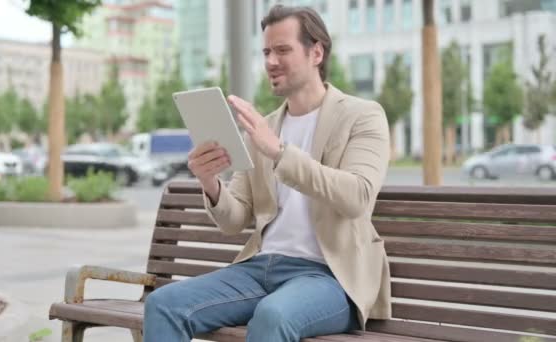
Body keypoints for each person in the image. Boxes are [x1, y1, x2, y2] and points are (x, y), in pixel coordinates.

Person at [144, 5, 391, 341]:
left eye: (283, 50)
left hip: (329, 277)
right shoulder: (264, 128)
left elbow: (357, 198)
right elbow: (235, 220)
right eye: (266, 52)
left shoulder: (362, 116)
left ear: (316, 52)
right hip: (261, 268)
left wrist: (278, 152)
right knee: (163, 304)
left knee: (273, 316)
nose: (271, 61)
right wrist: (210, 182)